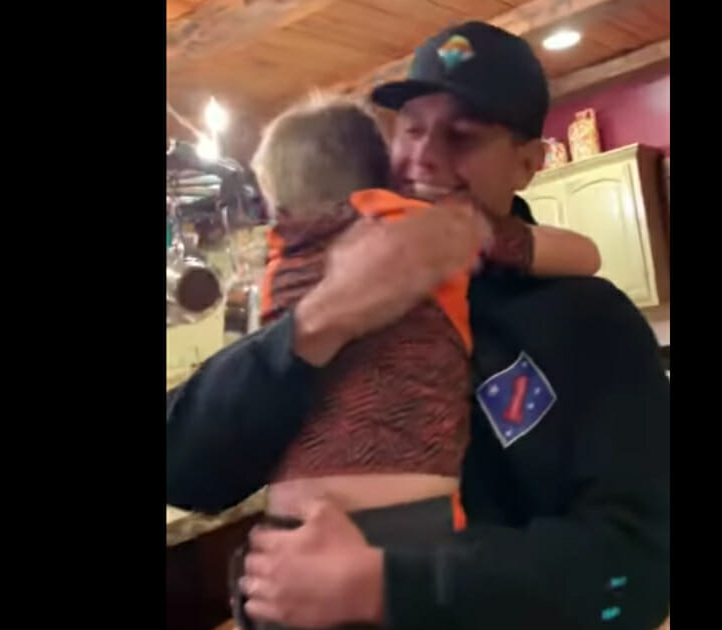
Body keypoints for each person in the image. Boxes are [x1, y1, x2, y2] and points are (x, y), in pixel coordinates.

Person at [166, 20, 670, 630]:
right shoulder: (321, 275)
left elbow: (638, 572)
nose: (423, 158)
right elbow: (184, 467)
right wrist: (324, 319)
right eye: (410, 130)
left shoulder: (592, 322)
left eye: (462, 136)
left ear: (528, 163)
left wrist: (391, 583)